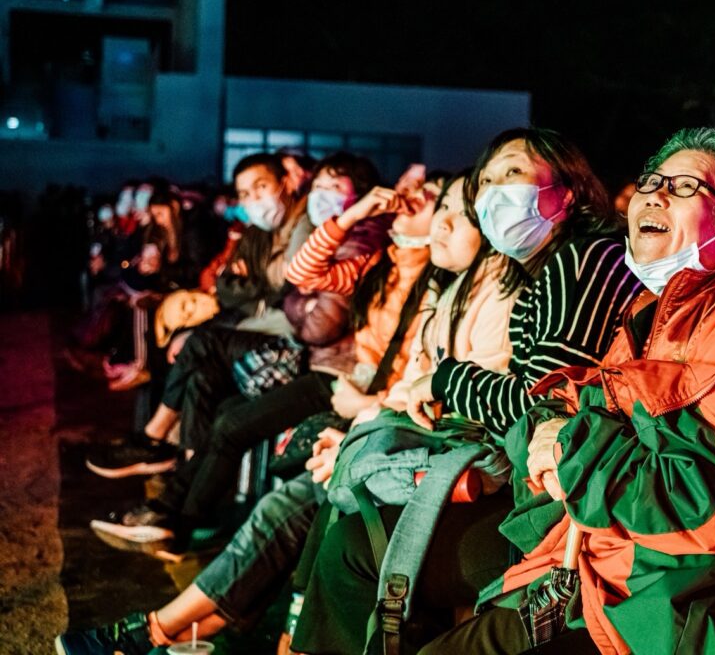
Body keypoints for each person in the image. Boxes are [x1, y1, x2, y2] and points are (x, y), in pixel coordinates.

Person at [54, 176, 490, 655]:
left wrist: (363, 414)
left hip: (371, 411)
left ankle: (163, 611)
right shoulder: (393, 262)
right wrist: (352, 217)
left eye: (448, 204)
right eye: (436, 200)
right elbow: (301, 278)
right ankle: (164, 609)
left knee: (276, 478)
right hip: (364, 406)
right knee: (221, 399)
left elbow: (356, 345)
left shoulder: (450, 286)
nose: (424, 206)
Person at [417, 127, 715, 655]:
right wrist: (561, 437)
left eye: (686, 186)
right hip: (601, 574)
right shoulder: (651, 315)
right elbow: (557, 407)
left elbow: (706, 500)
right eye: (652, 180)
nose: (654, 193)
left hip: (662, 609)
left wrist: (566, 446)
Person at [289, 128, 641, 653]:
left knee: (354, 544)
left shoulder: (580, 262)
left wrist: (448, 378)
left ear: (568, 190)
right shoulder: (550, 269)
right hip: (555, 502)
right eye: (487, 180)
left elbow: (540, 411)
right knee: (354, 513)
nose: (495, 191)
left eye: (513, 173)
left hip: (571, 523)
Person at [89, 161, 432, 557]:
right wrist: (297, 288)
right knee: (214, 395)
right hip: (322, 366)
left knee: (222, 396)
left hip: (333, 373)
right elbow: (285, 277)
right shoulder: (369, 245)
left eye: (420, 195)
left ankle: (172, 507)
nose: (404, 201)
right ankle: (173, 508)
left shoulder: (370, 246)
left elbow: (314, 320)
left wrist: (290, 300)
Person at [84, 153, 310, 479]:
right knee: (191, 361)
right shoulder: (259, 232)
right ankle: (182, 477)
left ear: (285, 183)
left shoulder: (302, 225)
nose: (253, 200)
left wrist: (245, 284)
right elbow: (225, 284)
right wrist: (245, 284)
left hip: (280, 336)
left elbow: (281, 290)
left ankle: (153, 438)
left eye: (261, 187)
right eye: (245, 193)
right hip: (250, 321)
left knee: (196, 344)